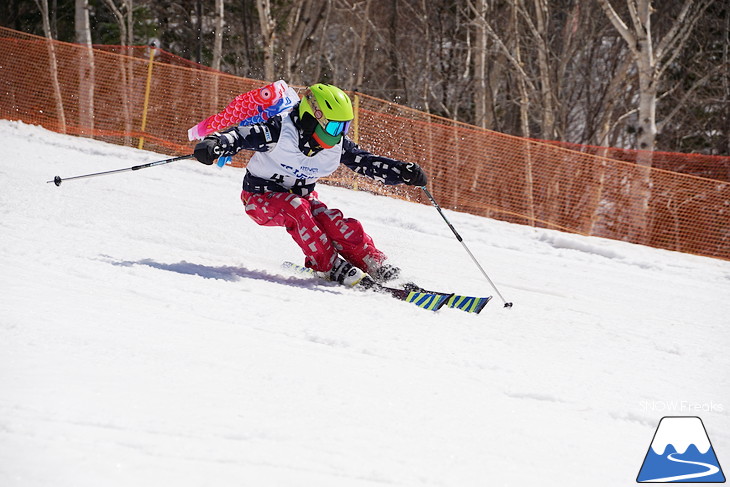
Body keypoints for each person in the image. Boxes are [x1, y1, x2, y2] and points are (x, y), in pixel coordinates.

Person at [193, 83, 427, 287]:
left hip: (303, 198)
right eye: (335, 127)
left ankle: (372, 262)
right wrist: (216, 143)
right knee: (296, 207)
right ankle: (328, 265)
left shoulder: (337, 145)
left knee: (333, 221)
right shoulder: (279, 130)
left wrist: (401, 172)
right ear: (313, 117)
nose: (339, 136)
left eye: (344, 128)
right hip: (259, 199)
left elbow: (365, 162)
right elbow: (241, 135)